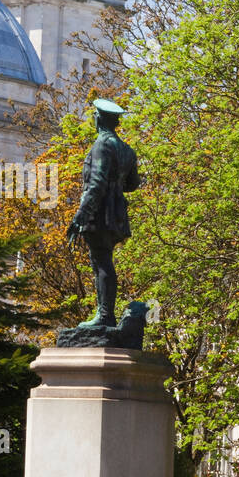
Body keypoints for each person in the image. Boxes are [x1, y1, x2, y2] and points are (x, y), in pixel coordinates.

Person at [66, 98, 141, 328]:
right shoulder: (127, 150)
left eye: (95, 114)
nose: (94, 117)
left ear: (99, 118)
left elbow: (96, 184)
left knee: (101, 261)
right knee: (104, 259)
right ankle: (105, 313)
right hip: (116, 213)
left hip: (100, 213)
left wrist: (80, 217)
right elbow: (133, 184)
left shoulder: (102, 144)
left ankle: (105, 315)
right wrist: (115, 185)